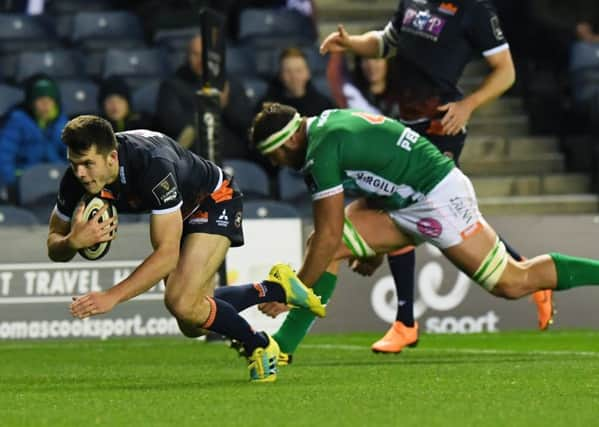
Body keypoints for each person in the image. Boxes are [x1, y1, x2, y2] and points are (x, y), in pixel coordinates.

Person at [281, 0, 553, 356]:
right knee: (442, 212)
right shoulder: (413, 3)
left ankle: (406, 321)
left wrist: (468, 105)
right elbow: (386, 42)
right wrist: (353, 43)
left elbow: (506, 71)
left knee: (413, 206)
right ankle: (522, 270)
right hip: (405, 122)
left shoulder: (475, 10)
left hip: (441, 122)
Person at [251, 104, 599, 358]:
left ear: (288, 141)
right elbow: (380, 172)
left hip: (437, 197)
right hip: (405, 196)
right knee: (332, 243)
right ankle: (282, 349)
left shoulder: (320, 151)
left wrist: (290, 293)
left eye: (274, 156)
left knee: (512, 282)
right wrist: (373, 248)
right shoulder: (325, 126)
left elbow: (329, 233)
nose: (277, 164)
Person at [46, 115, 325, 382]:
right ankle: (276, 289)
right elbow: (53, 242)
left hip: (214, 200)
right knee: (191, 322)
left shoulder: (151, 165)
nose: (80, 173)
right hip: (179, 212)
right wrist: (71, 242)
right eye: (74, 164)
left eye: (87, 164)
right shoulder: (75, 179)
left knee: (181, 302)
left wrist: (112, 296)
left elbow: (166, 255)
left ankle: (259, 345)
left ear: (112, 157)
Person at [156, 34, 253, 159]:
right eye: (195, 54)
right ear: (187, 56)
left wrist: (227, 106)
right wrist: (209, 107)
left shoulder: (229, 84)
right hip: (192, 158)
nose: (201, 60)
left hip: (232, 158)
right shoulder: (172, 85)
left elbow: (245, 123)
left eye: (205, 55)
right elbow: (171, 125)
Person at [0, 73, 67, 192]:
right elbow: (4, 156)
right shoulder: (17, 121)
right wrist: (13, 186)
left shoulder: (61, 122)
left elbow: (73, 155)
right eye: (40, 100)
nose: (45, 104)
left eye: (49, 100)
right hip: (26, 181)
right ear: (31, 102)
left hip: (57, 179)